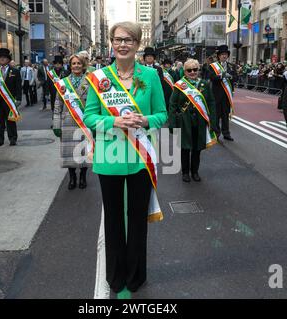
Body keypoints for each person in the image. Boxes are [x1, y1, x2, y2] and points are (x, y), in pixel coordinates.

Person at [84, 21, 167, 295]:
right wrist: (114, 122)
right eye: (118, 39)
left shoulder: (152, 76)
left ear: (137, 44)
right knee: (114, 220)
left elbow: (162, 115)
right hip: (110, 156)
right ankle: (115, 275)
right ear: (111, 42)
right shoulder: (99, 77)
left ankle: (136, 275)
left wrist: (146, 120)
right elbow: (89, 116)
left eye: (129, 40)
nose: (123, 44)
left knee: (137, 219)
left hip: (141, 158)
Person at [169, 59, 217, 182]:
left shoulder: (204, 84)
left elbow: (211, 102)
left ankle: (195, 171)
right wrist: (173, 123)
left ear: (198, 70)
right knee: (185, 148)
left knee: (197, 148)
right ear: (184, 71)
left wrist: (213, 121)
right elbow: (173, 104)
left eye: (195, 69)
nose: (192, 72)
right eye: (189, 70)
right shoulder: (180, 85)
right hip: (184, 121)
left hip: (200, 121)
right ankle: (185, 172)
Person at [52, 54, 92, 190]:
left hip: (84, 121)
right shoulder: (63, 83)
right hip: (67, 122)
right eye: (73, 63)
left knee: (84, 152)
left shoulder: (90, 82)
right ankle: (72, 177)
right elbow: (57, 105)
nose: (76, 66)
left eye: (78, 63)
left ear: (83, 65)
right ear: (70, 66)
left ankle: (83, 176)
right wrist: (56, 124)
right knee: (69, 152)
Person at [0, 48, 22, 146]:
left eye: (4, 57)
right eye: (0, 58)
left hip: (10, 100)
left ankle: (13, 138)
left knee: (11, 120)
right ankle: (0, 139)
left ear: (8, 59)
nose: (2, 59)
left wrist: (19, 98)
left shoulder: (15, 71)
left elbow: (18, 87)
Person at [209, 45, 238, 141]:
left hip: (226, 95)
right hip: (216, 94)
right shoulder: (213, 66)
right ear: (219, 56)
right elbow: (212, 77)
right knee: (216, 115)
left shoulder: (231, 66)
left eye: (225, 54)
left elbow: (236, 78)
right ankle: (216, 133)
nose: (224, 56)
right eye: (222, 54)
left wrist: (231, 77)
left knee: (225, 114)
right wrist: (221, 76)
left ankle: (226, 133)